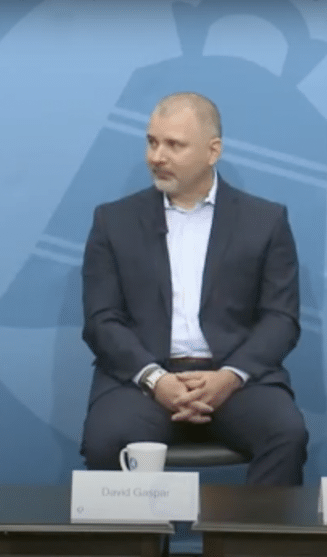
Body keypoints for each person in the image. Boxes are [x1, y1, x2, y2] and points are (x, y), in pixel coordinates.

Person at [79, 92, 308, 486]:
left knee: (286, 435)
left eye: (174, 145)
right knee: (107, 440)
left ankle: (244, 545)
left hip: (235, 379)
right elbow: (102, 321)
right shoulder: (113, 221)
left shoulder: (265, 220)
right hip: (143, 380)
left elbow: (281, 319)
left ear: (212, 151)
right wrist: (155, 379)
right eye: (152, 142)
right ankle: (140, 547)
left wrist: (230, 377)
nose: (157, 156)